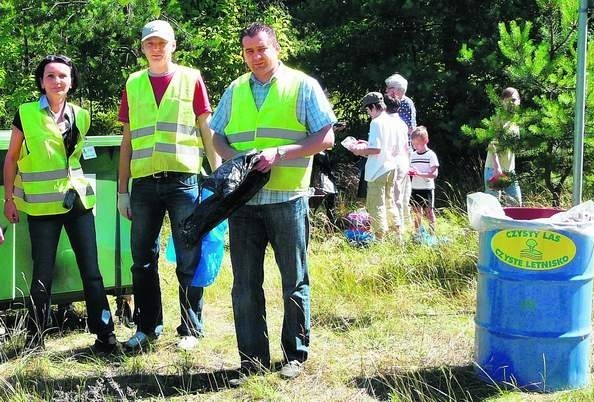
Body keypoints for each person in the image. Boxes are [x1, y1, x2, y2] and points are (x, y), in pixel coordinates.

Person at [210, 22, 335, 382]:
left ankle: (294, 355)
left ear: (276, 48)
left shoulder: (302, 85)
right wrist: (236, 161)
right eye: (249, 51)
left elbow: (325, 137)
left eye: (262, 49)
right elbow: (217, 136)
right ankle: (251, 361)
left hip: (287, 198)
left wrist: (281, 152)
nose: (256, 57)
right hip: (243, 202)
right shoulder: (235, 90)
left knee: (293, 279)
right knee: (245, 284)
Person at [117, 20, 220, 351]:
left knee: (189, 255)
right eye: (150, 43)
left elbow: (207, 130)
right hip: (144, 184)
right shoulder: (133, 83)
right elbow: (128, 140)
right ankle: (147, 327)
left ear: (173, 45)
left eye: (162, 42)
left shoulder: (191, 79)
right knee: (141, 259)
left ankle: (191, 327)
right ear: (143, 48)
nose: (156, 48)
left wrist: (218, 180)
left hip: (183, 181)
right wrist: (122, 190)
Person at [3, 55, 116, 352]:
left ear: (71, 81)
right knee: (42, 273)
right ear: (41, 82)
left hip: (77, 203)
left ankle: (105, 335)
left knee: (91, 270)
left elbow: (76, 158)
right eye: (50, 76)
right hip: (42, 208)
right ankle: (35, 339)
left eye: (63, 76)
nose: (57, 81)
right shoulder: (26, 113)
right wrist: (9, 200)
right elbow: (12, 158)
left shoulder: (81, 115)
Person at [349, 92, 406, 239]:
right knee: (390, 202)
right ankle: (397, 235)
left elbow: (376, 149)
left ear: (374, 106)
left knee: (376, 205)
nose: (368, 113)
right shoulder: (392, 120)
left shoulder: (376, 122)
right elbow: (386, 146)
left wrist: (358, 149)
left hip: (377, 169)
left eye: (368, 110)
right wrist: (366, 144)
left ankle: (379, 239)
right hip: (391, 166)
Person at [385, 73, 416, 228]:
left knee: (400, 189)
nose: (386, 90)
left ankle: (400, 224)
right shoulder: (388, 104)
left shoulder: (406, 103)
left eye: (389, 88)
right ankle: (398, 222)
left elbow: (411, 128)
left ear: (398, 90)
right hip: (392, 151)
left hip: (402, 151)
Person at [483, 87, 522, 206]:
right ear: (502, 102)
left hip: (510, 170)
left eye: (514, 100)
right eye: (507, 100)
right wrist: (497, 168)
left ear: (519, 101)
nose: (511, 103)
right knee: (493, 207)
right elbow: (492, 145)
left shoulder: (515, 121)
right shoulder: (498, 120)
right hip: (494, 169)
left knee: (515, 204)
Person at [408, 126, 439, 235]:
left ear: (425, 141)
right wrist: (410, 171)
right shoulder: (412, 155)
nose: (415, 146)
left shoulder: (431, 155)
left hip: (427, 188)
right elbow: (410, 168)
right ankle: (417, 234)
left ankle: (432, 234)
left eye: (417, 144)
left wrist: (419, 174)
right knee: (416, 213)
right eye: (413, 144)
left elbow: (434, 174)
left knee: (429, 212)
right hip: (415, 188)